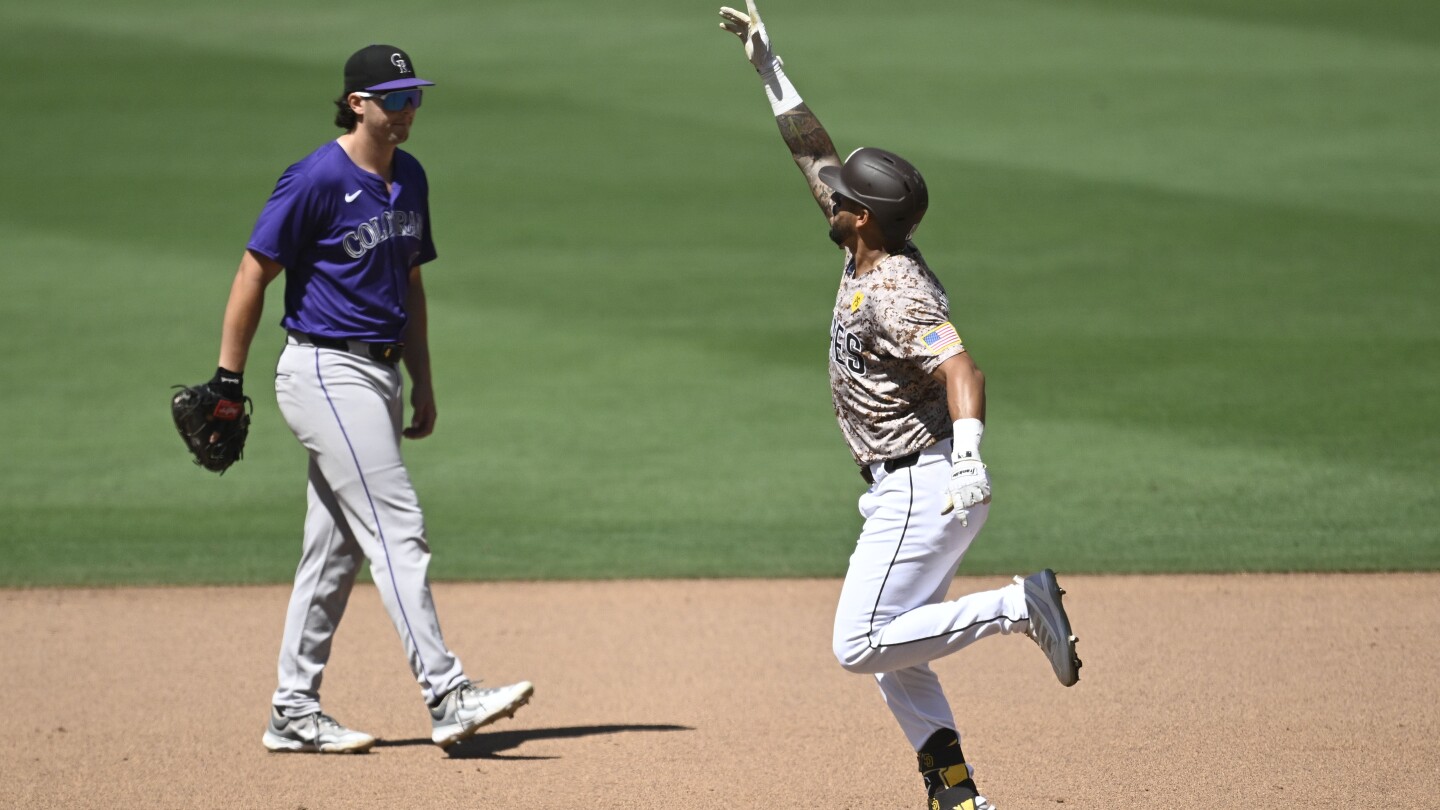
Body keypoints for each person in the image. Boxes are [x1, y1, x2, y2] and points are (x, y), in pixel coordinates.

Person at [718, 5, 1082, 807]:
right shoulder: (864, 239)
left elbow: (962, 368)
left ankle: (1019, 605)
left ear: (865, 217)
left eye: (843, 196)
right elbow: (813, 153)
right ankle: (955, 792)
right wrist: (769, 70)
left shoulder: (896, 290)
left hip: (929, 484)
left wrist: (971, 456)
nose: (830, 195)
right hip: (906, 483)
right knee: (898, 654)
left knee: (858, 643)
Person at [206, 44, 532, 754]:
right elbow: (252, 273)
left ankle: (292, 710)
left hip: (379, 377)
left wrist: (423, 378)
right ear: (358, 103)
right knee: (397, 527)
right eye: (395, 98)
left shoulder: (409, 176)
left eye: (415, 96)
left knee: (335, 552)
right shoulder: (315, 178)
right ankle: (447, 693)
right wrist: (228, 382)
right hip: (323, 371)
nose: (409, 109)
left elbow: (409, 284)